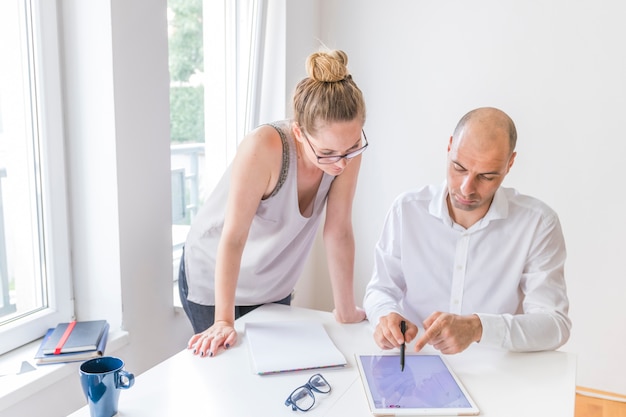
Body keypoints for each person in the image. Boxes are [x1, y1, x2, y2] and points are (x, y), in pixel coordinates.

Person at [179, 49, 368, 358]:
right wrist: (224, 320)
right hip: (215, 276)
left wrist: (345, 310)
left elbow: (338, 231)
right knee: (227, 374)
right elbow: (234, 236)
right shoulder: (265, 147)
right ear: (299, 132)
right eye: (327, 153)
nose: (341, 164)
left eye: (352, 147)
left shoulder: (346, 149)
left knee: (276, 372)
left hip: (271, 281)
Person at [363, 107, 571, 355]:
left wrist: (478, 328)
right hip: (415, 364)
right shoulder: (406, 211)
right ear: (450, 147)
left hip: (498, 374)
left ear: (510, 164)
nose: (466, 188)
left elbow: (555, 325)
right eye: (459, 168)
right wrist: (385, 315)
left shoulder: (538, 223)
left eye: (486, 176)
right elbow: (380, 289)